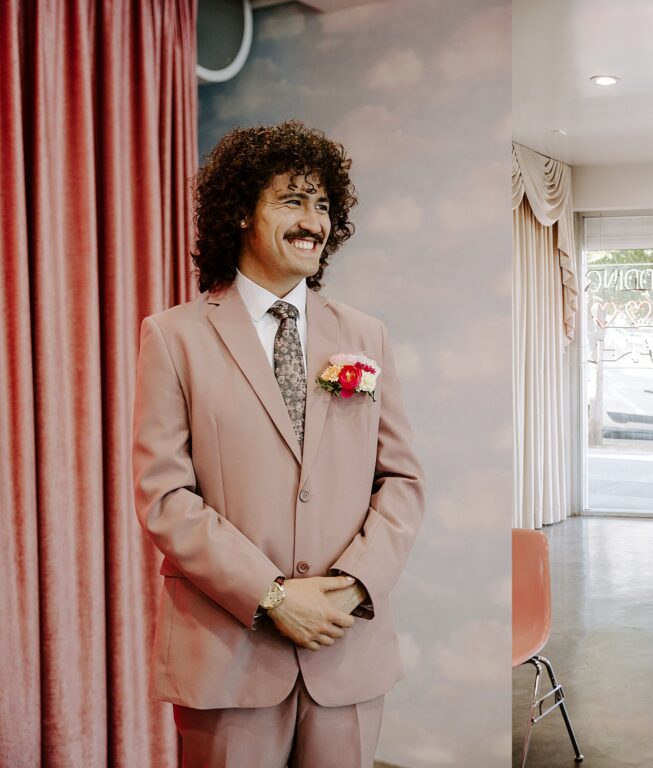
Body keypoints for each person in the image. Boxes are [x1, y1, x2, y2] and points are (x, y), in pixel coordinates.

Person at [132, 121, 425, 767]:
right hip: (227, 654)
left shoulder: (366, 336)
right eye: (293, 200)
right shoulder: (173, 337)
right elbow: (164, 496)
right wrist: (270, 594)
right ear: (240, 211)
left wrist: (355, 585)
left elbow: (401, 481)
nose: (313, 222)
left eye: (323, 206)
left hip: (344, 649)